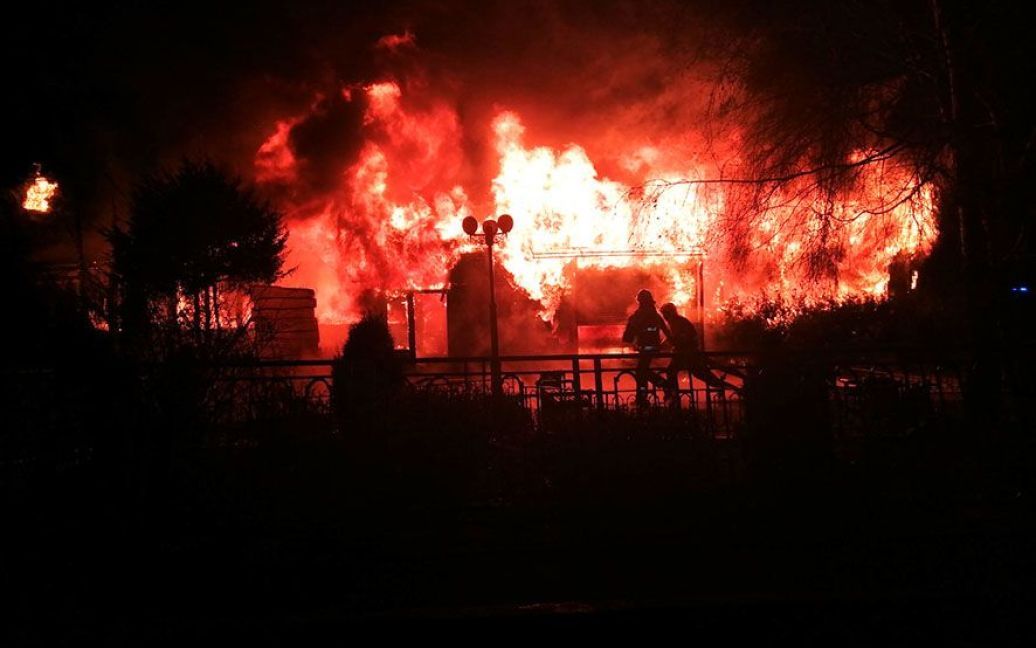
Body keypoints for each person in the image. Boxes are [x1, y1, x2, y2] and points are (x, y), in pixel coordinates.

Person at [658, 302, 736, 401]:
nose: (664, 316)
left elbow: (683, 338)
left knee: (705, 377)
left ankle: (673, 395)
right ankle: (673, 394)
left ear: (670, 313)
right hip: (686, 354)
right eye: (663, 314)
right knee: (702, 376)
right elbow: (674, 338)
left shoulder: (678, 322)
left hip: (689, 355)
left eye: (665, 314)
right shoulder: (675, 321)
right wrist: (663, 344)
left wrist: (673, 341)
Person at [622, 289, 670, 406]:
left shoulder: (637, 316)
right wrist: (661, 344)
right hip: (653, 347)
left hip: (645, 348)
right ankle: (643, 397)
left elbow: (628, 337)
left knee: (641, 371)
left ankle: (661, 386)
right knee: (641, 371)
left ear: (639, 301)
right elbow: (667, 333)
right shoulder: (655, 315)